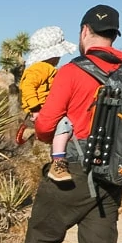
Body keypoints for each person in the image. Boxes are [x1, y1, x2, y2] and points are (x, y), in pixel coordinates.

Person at [4, 4, 122, 243]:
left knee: (43, 236)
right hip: (112, 174)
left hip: (72, 170)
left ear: (84, 31)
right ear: (114, 35)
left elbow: (47, 125)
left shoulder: (72, 72)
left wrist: (43, 132)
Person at [19, 26, 78, 182]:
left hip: (42, 107)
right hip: (44, 108)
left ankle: (33, 133)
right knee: (65, 125)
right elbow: (27, 86)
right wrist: (36, 109)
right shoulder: (42, 68)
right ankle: (58, 164)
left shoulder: (41, 67)